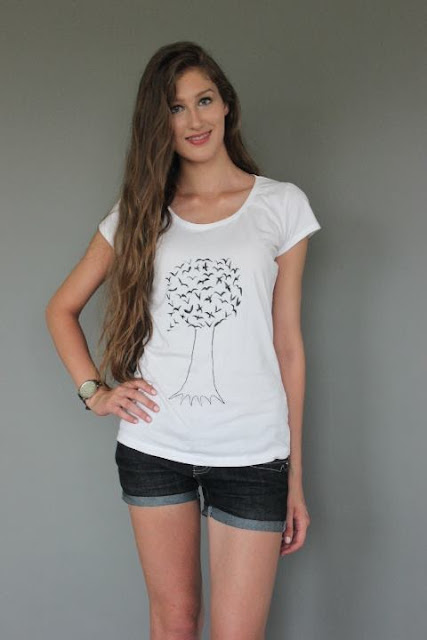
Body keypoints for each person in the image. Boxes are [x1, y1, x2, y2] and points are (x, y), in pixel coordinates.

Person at [45, 40, 321, 640]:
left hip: (253, 454)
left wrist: (294, 478)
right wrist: (95, 391)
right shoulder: (139, 212)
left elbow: (288, 347)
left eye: (204, 100)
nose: (194, 119)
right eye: (175, 107)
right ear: (158, 122)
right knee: (174, 622)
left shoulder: (281, 205)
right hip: (155, 447)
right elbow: (61, 309)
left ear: (227, 105)